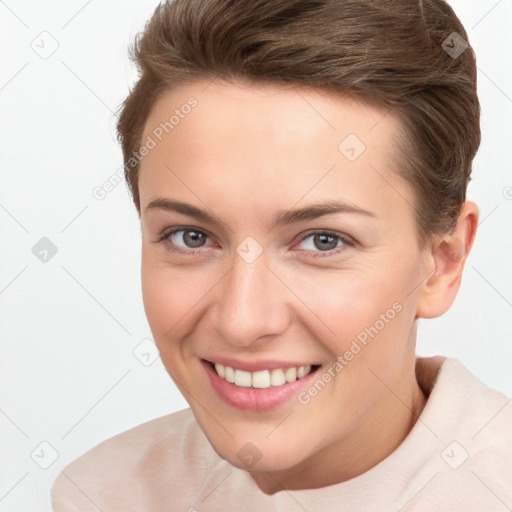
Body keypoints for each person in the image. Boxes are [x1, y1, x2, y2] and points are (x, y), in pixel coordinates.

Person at [51, 0, 512, 510]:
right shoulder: (101, 493)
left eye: (323, 241)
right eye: (191, 236)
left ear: (443, 262)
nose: (242, 321)